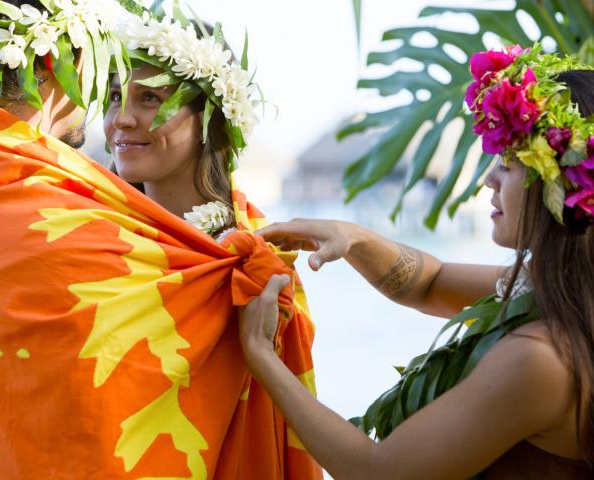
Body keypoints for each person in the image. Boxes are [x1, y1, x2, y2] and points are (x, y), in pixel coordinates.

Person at [0, 1, 321, 478]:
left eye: (150, 99)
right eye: (111, 97)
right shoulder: (74, 229)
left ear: (212, 117)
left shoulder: (258, 251)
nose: (121, 119)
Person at [238, 45, 594, 479]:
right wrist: (351, 237)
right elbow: (432, 282)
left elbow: (378, 472)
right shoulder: (565, 294)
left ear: (560, 187)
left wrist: (261, 356)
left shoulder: (543, 359)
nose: (488, 179)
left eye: (509, 163)